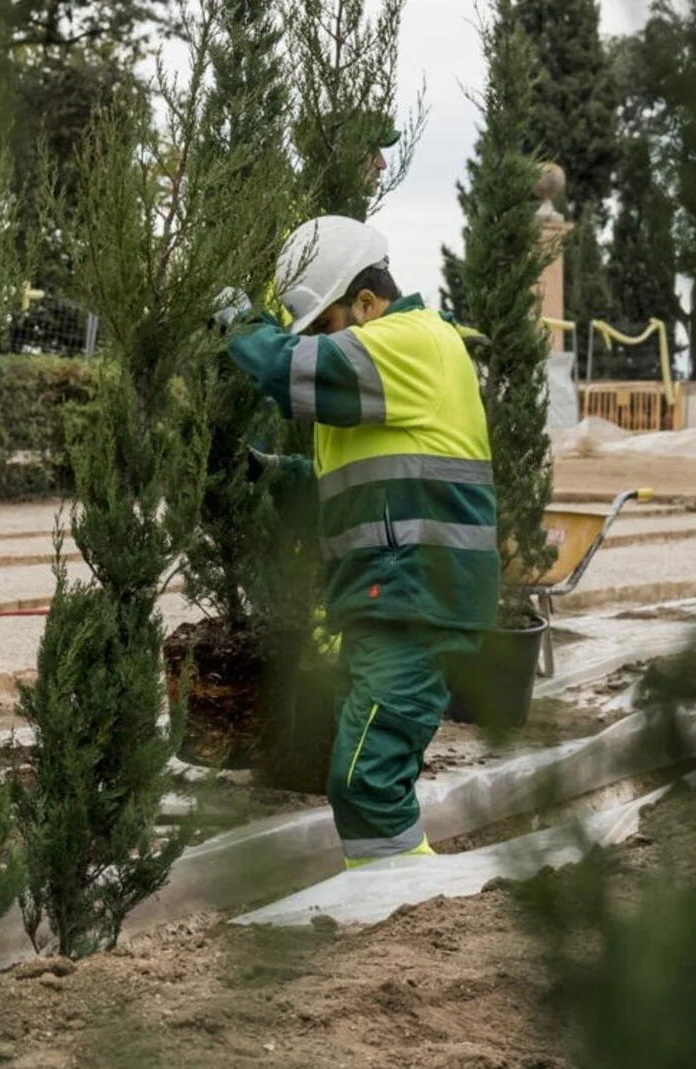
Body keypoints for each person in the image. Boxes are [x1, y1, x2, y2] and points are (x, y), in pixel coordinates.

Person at [214, 216, 499, 868]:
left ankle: (405, 908)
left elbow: (287, 369)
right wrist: (264, 475)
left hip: (419, 598)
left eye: (323, 327)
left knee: (365, 778)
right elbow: (340, 499)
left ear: (368, 302)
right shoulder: (383, 381)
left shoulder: (411, 340)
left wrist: (240, 326)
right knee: (365, 774)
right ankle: (391, 898)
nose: (319, 345)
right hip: (397, 596)